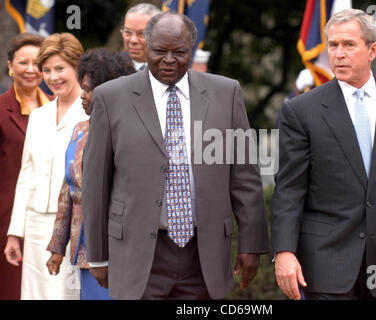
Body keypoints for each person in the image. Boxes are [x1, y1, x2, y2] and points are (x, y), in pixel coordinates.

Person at [82, 12, 269, 300]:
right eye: (159, 51)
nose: (169, 60)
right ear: (147, 46)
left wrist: (251, 244)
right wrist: (97, 255)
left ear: (192, 49)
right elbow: (96, 183)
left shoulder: (226, 93)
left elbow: (245, 176)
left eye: (179, 52)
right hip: (138, 252)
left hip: (203, 254)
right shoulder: (111, 98)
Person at [271, 8, 376, 300]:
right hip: (323, 266)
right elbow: (289, 190)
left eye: (349, 45)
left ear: (373, 49)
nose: (338, 54)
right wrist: (284, 251)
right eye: (333, 45)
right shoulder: (301, 111)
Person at [45, 48, 135, 300]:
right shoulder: (80, 131)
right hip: (86, 252)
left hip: (121, 252)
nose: (82, 96)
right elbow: (68, 192)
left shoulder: (132, 134)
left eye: (88, 89)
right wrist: (57, 248)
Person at [4, 33, 88, 300]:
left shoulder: (93, 113)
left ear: (77, 67)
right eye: (47, 70)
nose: (53, 77)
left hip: (76, 227)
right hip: (36, 225)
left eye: (60, 69)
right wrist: (15, 233)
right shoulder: (39, 116)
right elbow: (26, 177)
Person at [0, 32, 52, 300]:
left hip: (50, 217)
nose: (31, 70)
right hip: (6, 217)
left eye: (37, 63)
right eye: (23, 63)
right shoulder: (0, 109)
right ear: (10, 66)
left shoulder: (59, 109)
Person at [121, 3, 161, 71]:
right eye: (128, 32)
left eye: (141, 34)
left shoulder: (170, 69)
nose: (133, 40)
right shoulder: (109, 68)